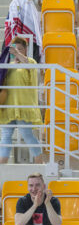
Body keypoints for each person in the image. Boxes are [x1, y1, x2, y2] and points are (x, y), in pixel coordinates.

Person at [0, 36, 43, 164]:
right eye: (15, 49)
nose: (16, 51)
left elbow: (30, 67)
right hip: (9, 106)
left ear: (25, 50)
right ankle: (2, 163)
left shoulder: (30, 61)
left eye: (20, 48)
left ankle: (39, 160)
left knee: (27, 134)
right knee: (6, 136)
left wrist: (17, 54)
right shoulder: (7, 64)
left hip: (24, 106)